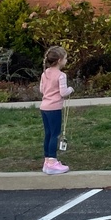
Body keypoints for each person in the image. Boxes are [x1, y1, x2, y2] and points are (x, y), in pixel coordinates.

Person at [39, 46, 73, 174]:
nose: (66, 61)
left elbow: (42, 90)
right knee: (55, 134)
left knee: (48, 134)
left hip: (44, 107)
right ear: (59, 60)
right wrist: (70, 90)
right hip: (54, 108)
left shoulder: (45, 73)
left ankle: (47, 161)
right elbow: (63, 92)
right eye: (65, 58)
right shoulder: (61, 75)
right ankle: (52, 162)